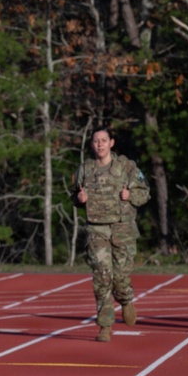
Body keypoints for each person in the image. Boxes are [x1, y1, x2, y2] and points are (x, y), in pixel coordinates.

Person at [72, 128, 150, 342]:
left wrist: (130, 195)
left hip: (122, 228)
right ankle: (105, 325)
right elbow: (73, 196)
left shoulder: (126, 167)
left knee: (121, 276)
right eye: (96, 141)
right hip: (96, 229)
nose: (100, 145)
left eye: (104, 140)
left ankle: (126, 300)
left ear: (112, 143)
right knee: (102, 275)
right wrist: (79, 198)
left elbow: (145, 193)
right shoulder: (85, 169)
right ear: (92, 144)